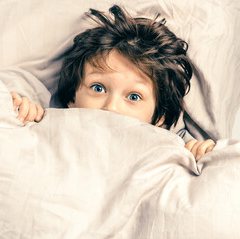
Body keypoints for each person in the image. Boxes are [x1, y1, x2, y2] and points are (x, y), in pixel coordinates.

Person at [11, 5, 215, 160]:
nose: (111, 108)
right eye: (98, 88)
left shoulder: (167, 152)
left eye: (134, 96)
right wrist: (24, 112)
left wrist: (200, 155)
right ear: (72, 96)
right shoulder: (49, 123)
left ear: (159, 118)